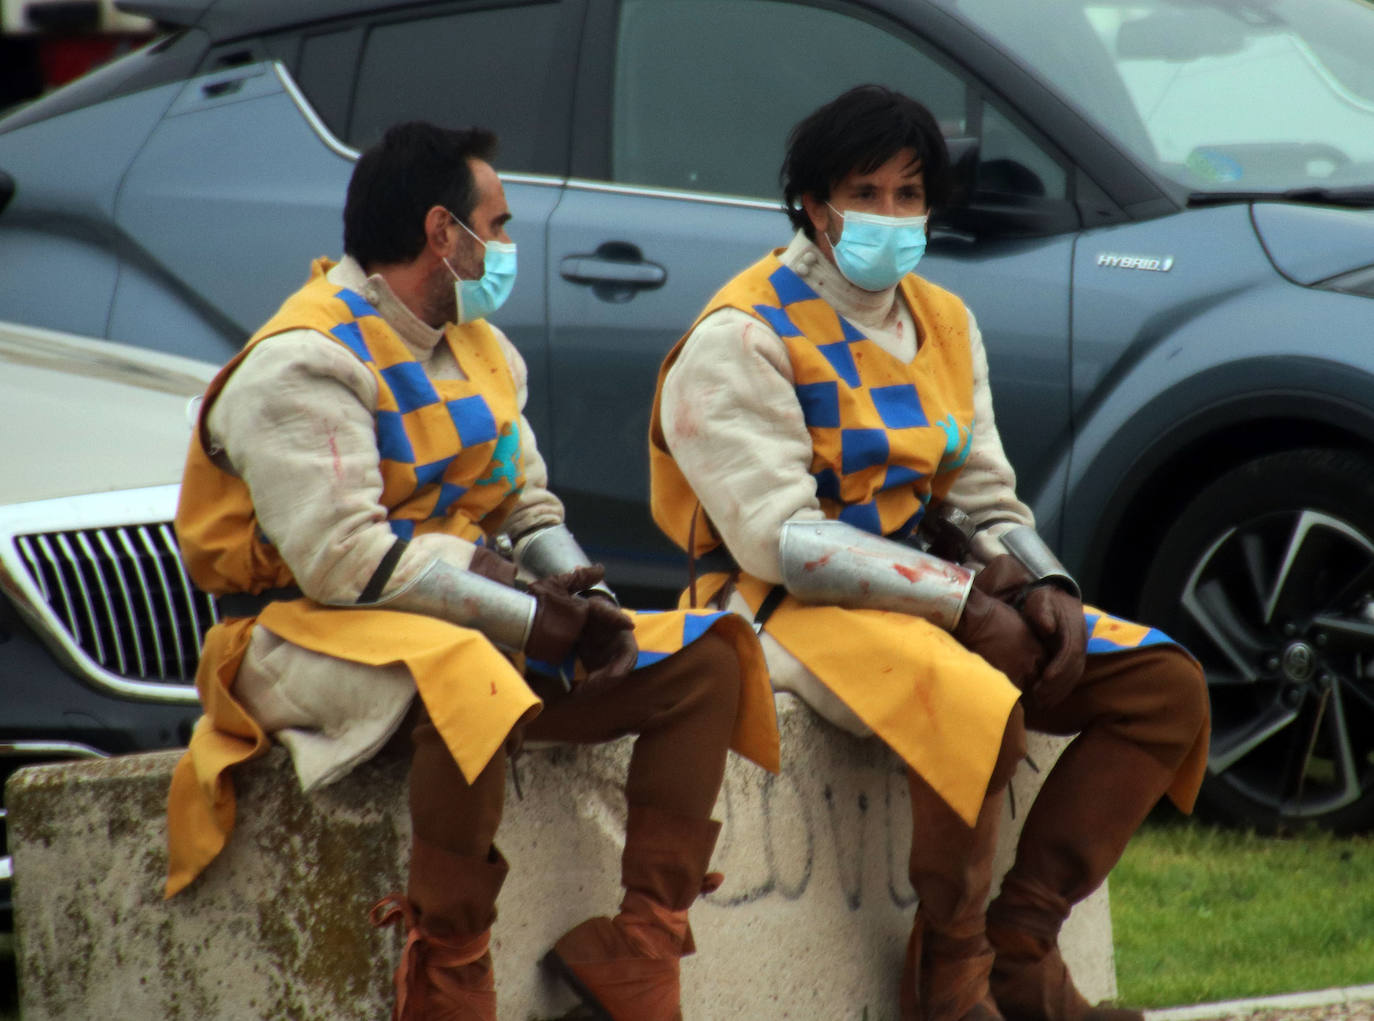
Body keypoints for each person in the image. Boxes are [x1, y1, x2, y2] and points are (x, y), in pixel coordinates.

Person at [165, 121, 779, 1021]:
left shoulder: (479, 346)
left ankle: (641, 946)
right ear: (441, 232)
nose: (507, 247)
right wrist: (524, 612)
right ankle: (449, 970)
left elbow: (526, 506)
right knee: (472, 677)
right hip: (295, 630)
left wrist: (587, 596)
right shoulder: (303, 362)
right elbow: (343, 560)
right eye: (497, 225)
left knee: (710, 658)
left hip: (465, 610)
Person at [649, 86, 1209, 1021]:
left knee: (1165, 687)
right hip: (781, 603)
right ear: (813, 205)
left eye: (910, 195)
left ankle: (1021, 948)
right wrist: (963, 603)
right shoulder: (740, 333)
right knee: (975, 701)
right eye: (866, 192)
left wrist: (1044, 584)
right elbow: (781, 541)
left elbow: (982, 492)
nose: (892, 216)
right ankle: (947, 977)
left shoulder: (942, 317)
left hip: (928, 589)